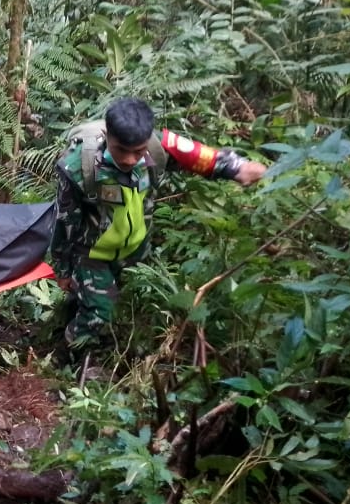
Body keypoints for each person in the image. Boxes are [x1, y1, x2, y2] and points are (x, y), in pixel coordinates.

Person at [50, 97, 268, 351]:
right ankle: (73, 354)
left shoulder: (156, 148)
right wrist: (62, 268)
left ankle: (76, 313)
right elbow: (64, 219)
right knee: (100, 312)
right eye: (121, 150)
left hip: (135, 250)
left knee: (120, 303)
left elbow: (199, 157)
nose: (130, 159)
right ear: (107, 136)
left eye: (138, 151)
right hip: (91, 253)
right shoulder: (79, 166)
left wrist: (238, 168)